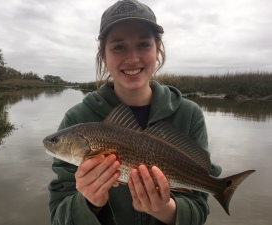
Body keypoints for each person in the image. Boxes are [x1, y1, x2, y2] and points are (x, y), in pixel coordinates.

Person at [48, 0, 221, 224]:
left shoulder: (189, 115)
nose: (132, 59)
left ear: (158, 48)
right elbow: (58, 217)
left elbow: (199, 209)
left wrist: (165, 209)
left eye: (143, 44)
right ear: (103, 54)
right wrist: (89, 203)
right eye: (119, 47)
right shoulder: (77, 119)